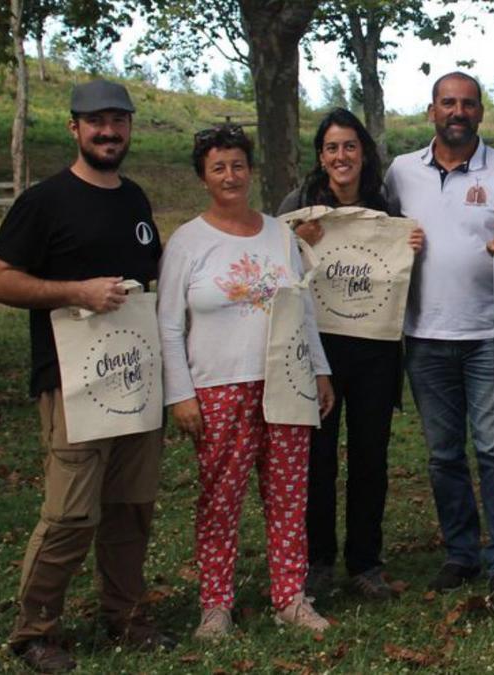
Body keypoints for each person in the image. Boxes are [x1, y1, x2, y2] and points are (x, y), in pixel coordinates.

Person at [0, 80, 175, 672]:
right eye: (97, 122)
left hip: (136, 378)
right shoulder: (44, 202)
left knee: (130, 507)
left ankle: (123, 615)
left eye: (118, 121)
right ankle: (34, 630)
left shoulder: (136, 199)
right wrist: (76, 292)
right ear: (74, 128)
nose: (109, 132)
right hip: (71, 381)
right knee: (70, 513)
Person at [158, 125, 335, 639]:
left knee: (288, 495)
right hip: (219, 388)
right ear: (203, 177)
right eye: (218, 167)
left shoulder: (279, 233)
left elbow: (302, 306)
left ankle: (290, 597)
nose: (230, 176)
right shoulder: (189, 242)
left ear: (250, 171)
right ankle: (215, 606)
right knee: (221, 498)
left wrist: (319, 370)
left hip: (284, 381)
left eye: (237, 165)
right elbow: (169, 324)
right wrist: (181, 394)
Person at [384, 72, 494, 606]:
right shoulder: (401, 173)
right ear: (432, 111)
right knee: (443, 454)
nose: (458, 112)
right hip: (423, 335)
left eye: (468, 104)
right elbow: (373, 231)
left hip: (490, 333)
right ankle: (461, 552)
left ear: (481, 113)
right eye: (448, 103)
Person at [277, 108, 424, 600]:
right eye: (332, 148)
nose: (342, 157)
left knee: (370, 457)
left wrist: (413, 244)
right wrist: (296, 243)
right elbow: (273, 271)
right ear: (321, 157)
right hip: (315, 349)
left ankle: (365, 562)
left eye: (350, 147)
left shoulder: (386, 208)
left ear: (364, 153)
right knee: (316, 459)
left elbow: (399, 272)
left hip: (374, 350)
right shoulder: (298, 207)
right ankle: (317, 560)